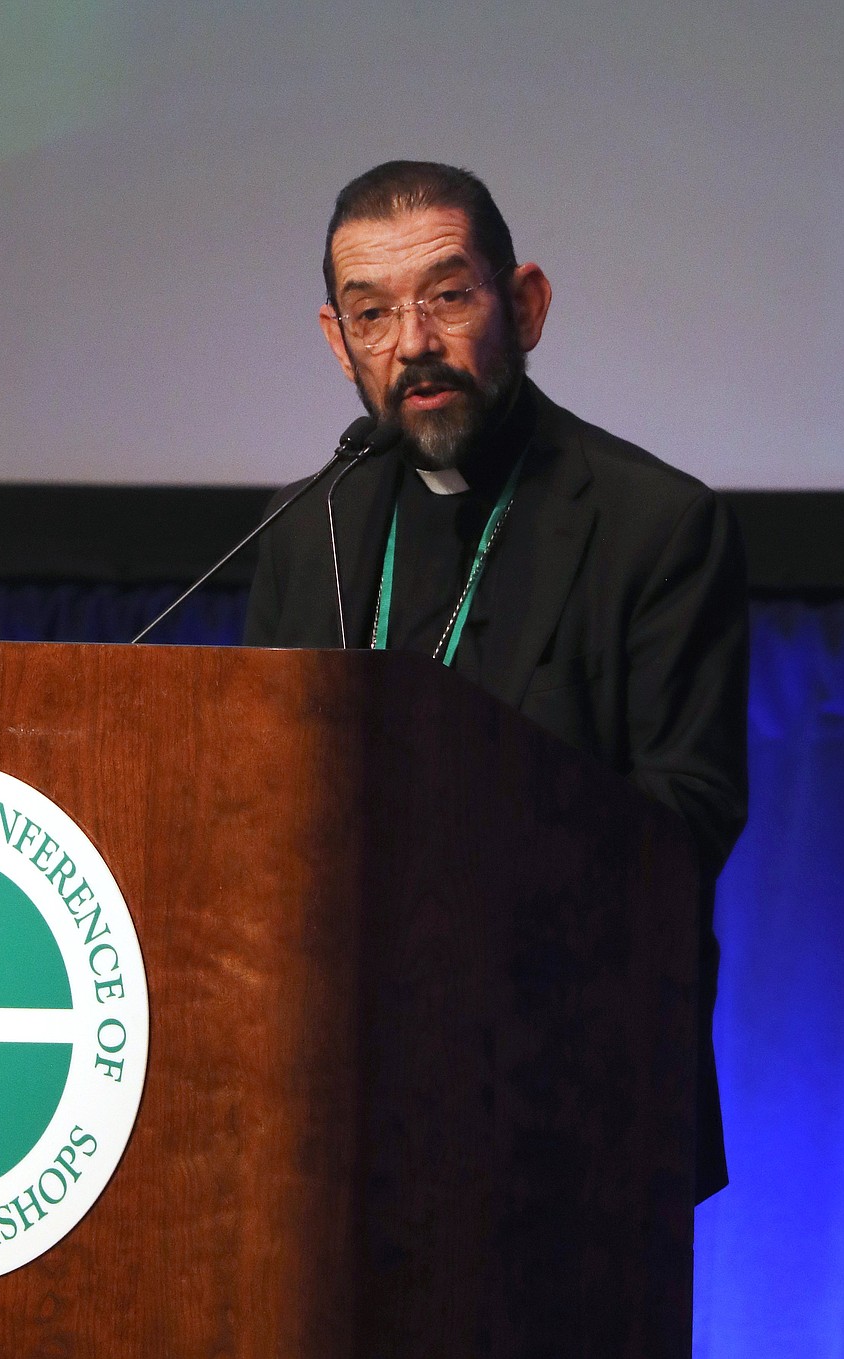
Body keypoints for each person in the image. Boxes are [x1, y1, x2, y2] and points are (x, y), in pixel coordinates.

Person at [243, 159, 748, 1201]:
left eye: (447, 296)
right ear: (337, 346)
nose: (413, 345)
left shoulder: (654, 527)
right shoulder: (307, 531)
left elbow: (683, 821)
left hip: (574, 1113)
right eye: (371, 314)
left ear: (523, 305)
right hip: (336, 1112)